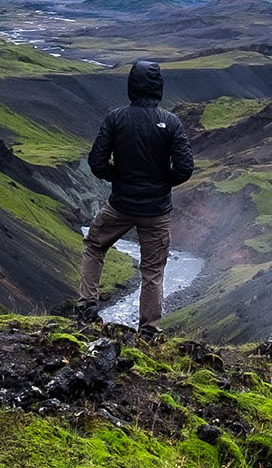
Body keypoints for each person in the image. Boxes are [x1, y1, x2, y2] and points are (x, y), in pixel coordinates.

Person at [77, 60, 194, 343]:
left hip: (120, 205)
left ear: (131, 85)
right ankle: (149, 330)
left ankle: (86, 306)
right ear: (158, 87)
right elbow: (184, 168)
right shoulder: (171, 122)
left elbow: (97, 162)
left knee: (94, 245)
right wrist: (161, 183)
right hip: (156, 211)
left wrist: (118, 177)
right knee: (152, 270)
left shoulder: (116, 119)